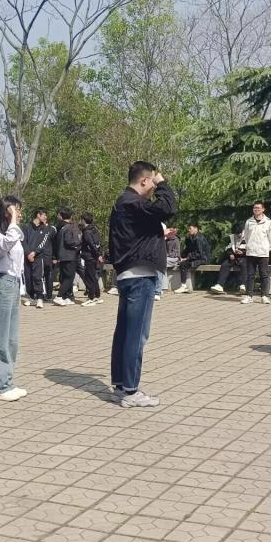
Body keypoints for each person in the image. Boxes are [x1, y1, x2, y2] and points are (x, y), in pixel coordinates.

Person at [108, 161, 177, 408]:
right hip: (139, 277)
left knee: (125, 332)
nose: (153, 189)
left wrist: (157, 234)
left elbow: (135, 234)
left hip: (129, 274)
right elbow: (168, 207)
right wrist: (163, 183)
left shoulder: (123, 203)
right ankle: (130, 391)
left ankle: (120, 386)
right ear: (145, 180)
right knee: (136, 335)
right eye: (152, 183)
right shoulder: (132, 202)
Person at [0, 197, 29, 400]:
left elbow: (18, 238)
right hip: (2, 283)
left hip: (14, 284)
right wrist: (12, 218)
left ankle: (7, 380)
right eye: (16, 210)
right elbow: (8, 242)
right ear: (7, 212)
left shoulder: (13, 233)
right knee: (1, 336)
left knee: (12, 338)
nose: (19, 214)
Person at [242, 202, 271, 305]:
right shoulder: (249, 221)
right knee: (250, 275)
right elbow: (246, 236)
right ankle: (249, 296)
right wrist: (250, 246)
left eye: (258, 208)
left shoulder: (268, 222)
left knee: (264, 275)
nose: (256, 209)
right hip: (251, 252)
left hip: (263, 253)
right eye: (254, 208)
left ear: (263, 209)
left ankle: (264, 296)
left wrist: (266, 249)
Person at [22, 208, 53, 309]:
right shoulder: (26, 227)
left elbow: (44, 243)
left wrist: (34, 253)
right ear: (38, 215)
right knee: (28, 277)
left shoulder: (46, 229)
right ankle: (32, 297)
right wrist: (28, 253)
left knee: (37, 277)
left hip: (38, 256)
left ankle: (40, 297)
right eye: (44, 215)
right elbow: (23, 241)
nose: (45, 217)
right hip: (27, 256)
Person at [209, 223, 247, 294]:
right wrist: (230, 254)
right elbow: (227, 248)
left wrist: (243, 252)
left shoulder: (248, 236)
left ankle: (243, 285)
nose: (237, 235)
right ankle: (219, 285)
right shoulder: (232, 237)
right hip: (233, 257)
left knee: (244, 265)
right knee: (225, 265)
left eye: (239, 233)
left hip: (244, 257)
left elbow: (251, 249)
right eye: (236, 234)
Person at [54, 209, 80, 306]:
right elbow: (69, 241)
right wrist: (77, 244)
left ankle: (66, 297)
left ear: (61, 216)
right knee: (69, 277)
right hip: (69, 255)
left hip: (63, 256)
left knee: (65, 276)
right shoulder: (69, 227)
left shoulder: (62, 227)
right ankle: (59, 296)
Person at [175, 224, 210, 293]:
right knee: (182, 263)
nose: (188, 230)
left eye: (190, 228)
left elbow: (199, 253)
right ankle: (184, 286)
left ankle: (183, 286)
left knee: (183, 264)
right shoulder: (191, 237)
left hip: (203, 259)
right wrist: (181, 256)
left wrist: (187, 258)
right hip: (196, 257)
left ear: (196, 229)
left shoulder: (199, 238)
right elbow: (188, 249)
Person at [79, 213, 105, 306]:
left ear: (84, 220)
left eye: (81, 219)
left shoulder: (86, 232)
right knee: (93, 277)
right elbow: (98, 243)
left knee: (89, 277)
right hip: (94, 256)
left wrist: (98, 255)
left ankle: (91, 298)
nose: (80, 221)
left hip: (89, 256)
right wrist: (99, 254)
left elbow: (91, 245)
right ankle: (97, 296)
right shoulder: (94, 229)